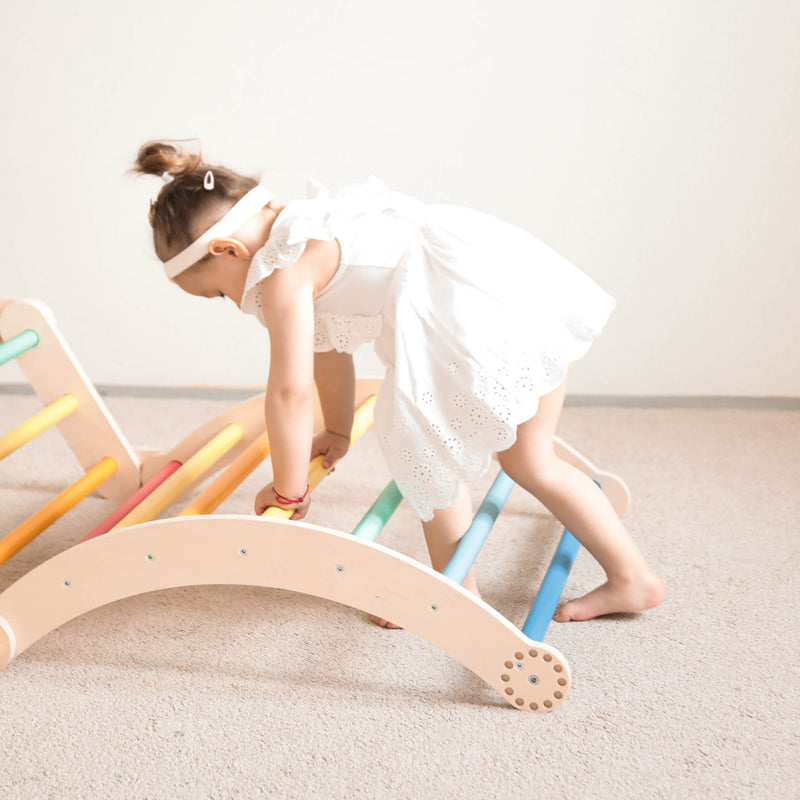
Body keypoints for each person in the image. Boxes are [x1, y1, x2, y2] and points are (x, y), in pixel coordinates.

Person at [132, 139, 664, 626]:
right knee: (533, 460)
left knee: (420, 444)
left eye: (217, 295)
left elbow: (290, 392)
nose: (231, 303)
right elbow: (328, 352)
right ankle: (633, 577)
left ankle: (455, 596)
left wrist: (289, 489)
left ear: (228, 251)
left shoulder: (281, 273)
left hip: (471, 322)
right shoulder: (311, 220)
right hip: (514, 295)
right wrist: (338, 430)